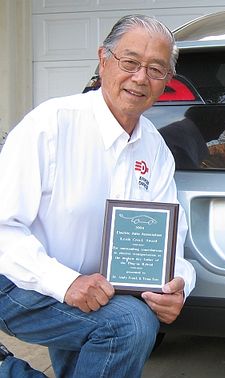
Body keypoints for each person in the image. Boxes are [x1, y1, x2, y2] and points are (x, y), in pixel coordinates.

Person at [0, 14, 196, 377]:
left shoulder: (154, 148)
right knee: (128, 325)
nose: (140, 78)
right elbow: (3, 230)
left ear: (167, 81)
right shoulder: (50, 125)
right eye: (130, 62)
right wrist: (65, 283)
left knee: (112, 329)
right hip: (16, 280)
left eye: (156, 69)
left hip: (95, 289)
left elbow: (170, 241)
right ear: (103, 59)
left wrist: (177, 283)